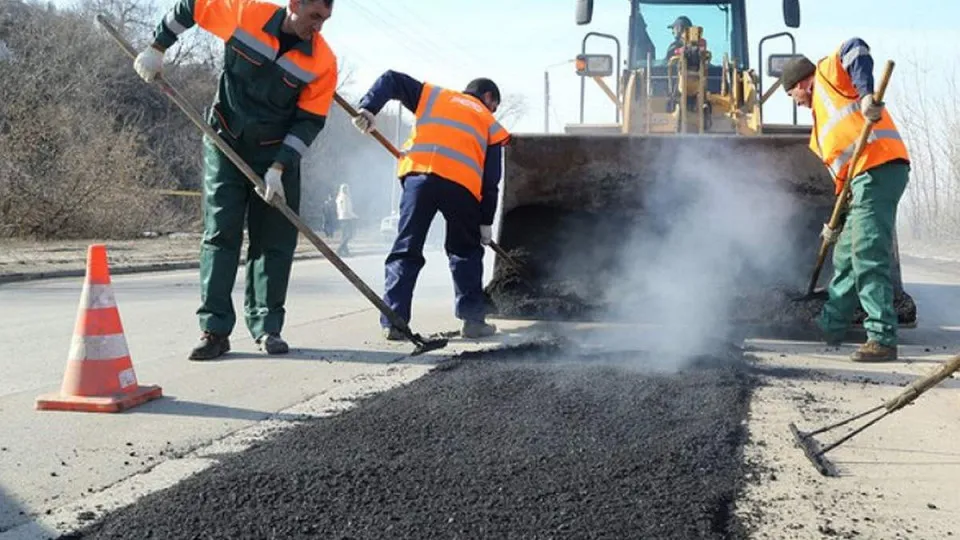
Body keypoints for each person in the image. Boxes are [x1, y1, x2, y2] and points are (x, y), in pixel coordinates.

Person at [132, 0, 338, 360]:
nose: (318, 26)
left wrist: (279, 169)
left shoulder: (322, 61)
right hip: (225, 142)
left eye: (325, 19)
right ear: (294, 5)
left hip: (276, 156)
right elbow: (192, 6)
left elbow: (309, 121)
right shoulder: (247, 15)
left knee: (274, 242)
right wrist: (157, 47)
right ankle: (214, 330)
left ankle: (267, 328)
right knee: (219, 234)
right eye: (314, 16)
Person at [350, 71, 511, 340]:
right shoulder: (489, 122)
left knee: (406, 249)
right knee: (465, 252)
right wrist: (485, 221)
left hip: (419, 179)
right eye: (495, 106)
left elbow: (391, 79)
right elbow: (491, 180)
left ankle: (394, 321)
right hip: (462, 188)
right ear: (488, 97)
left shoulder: (435, 95)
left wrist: (369, 108)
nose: (493, 110)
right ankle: (473, 321)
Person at [780, 38, 911, 362]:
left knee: (866, 253)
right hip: (859, 183)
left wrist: (866, 95)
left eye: (791, 94)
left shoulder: (827, 74)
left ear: (802, 83)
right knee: (844, 258)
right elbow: (842, 177)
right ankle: (831, 326)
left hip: (880, 169)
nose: (794, 102)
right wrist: (834, 224)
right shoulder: (818, 131)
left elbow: (856, 48)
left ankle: (882, 338)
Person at [335, 183, 358, 256]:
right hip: (346, 218)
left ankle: (345, 252)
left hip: (342, 218)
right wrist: (354, 216)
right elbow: (346, 209)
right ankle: (339, 249)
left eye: (346, 188)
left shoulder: (339, 197)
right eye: (344, 189)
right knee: (349, 235)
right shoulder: (345, 198)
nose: (346, 190)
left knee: (344, 236)